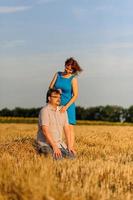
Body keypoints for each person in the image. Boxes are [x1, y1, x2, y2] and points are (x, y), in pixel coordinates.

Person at [49, 57, 82, 149]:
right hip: (56, 105)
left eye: (71, 70)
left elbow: (75, 95)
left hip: (68, 106)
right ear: (65, 65)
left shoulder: (73, 79)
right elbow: (50, 87)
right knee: (56, 127)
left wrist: (66, 107)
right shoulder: (58, 74)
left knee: (69, 128)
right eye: (67, 68)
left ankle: (70, 148)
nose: (68, 71)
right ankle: (55, 146)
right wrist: (56, 90)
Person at [36, 88, 76, 160]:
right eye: (55, 97)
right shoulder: (45, 111)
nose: (58, 99)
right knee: (58, 159)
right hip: (46, 144)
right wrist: (54, 146)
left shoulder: (63, 111)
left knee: (72, 158)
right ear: (49, 98)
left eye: (59, 97)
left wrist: (70, 146)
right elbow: (45, 130)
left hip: (60, 144)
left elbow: (67, 129)